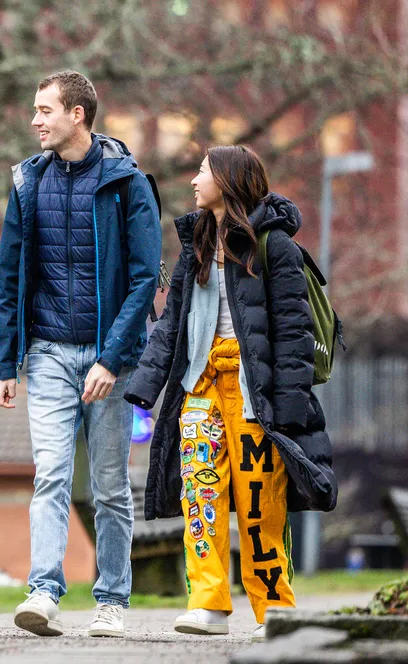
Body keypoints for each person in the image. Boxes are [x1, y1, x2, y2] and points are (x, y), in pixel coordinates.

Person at [123, 145, 338, 642]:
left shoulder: (274, 246)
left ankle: (274, 609)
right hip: (200, 386)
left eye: (202, 171)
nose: (194, 180)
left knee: (261, 502)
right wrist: (145, 385)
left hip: (253, 393)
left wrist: (288, 407)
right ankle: (208, 605)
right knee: (201, 494)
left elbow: (294, 331)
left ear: (227, 180)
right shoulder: (196, 242)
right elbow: (172, 323)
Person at [0, 70, 163, 638]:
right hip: (47, 353)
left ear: (77, 114)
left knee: (110, 486)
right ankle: (43, 592)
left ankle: (111, 599)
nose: (35, 120)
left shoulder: (127, 183)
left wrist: (111, 359)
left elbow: (144, 279)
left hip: (112, 359)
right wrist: (5, 362)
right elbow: (8, 276)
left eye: (45, 110)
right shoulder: (28, 182)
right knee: (51, 475)